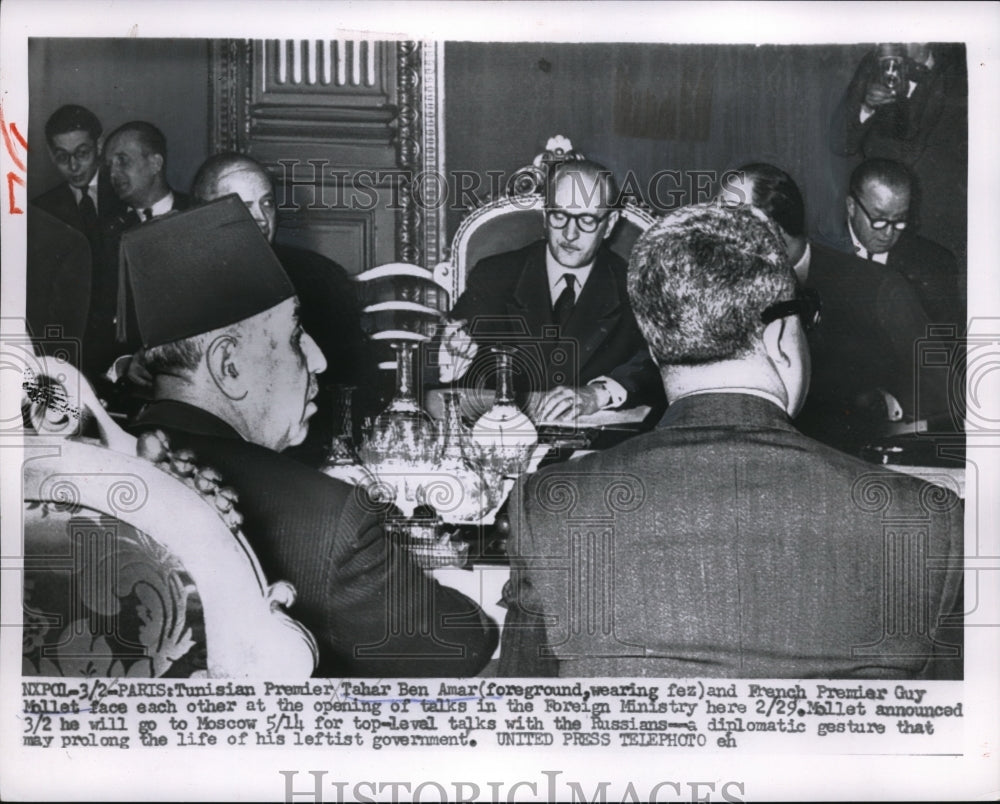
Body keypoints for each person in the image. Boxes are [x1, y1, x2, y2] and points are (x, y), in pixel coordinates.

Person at [499, 202, 963, 679]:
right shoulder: (926, 521)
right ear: (782, 335)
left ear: (654, 342)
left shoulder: (553, 508)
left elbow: (522, 721)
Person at [123, 196, 498, 676]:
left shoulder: (98, 460)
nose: (318, 360)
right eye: (297, 335)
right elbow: (461, 644)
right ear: (229, 366)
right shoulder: (329, 521)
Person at [721, 162, 952, 450]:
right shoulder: (728, 285)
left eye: (729, 222)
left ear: (773, 230)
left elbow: (938, 382)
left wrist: (883, 405)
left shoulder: (878, 286)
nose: (717, 234)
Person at [434, 157, 665, 423]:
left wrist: (599, 393)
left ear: (610, 224)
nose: (570, 233)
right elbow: (452, 345)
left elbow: (657, 364)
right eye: (559, 215)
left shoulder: (635, 284)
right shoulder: (495, 275)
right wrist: (448, 353)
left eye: (587, 220)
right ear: (545, 215)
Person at [187, 153, 376, 464]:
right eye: (242, 206)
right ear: (201, 214)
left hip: (300, 456)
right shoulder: (176, 281)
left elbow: (353, 383)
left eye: (267, 203)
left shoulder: (320, 279)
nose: (261, 218)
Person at [829, 43, 967, 265]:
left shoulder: (964, 62)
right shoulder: (874, 62)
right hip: (879, 214)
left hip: (939, 217)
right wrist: (866, 106)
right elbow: (839, 142)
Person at [838, 158, 962, 327]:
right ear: (851, 206)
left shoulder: (936, 264)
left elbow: (947, 343)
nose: (888, 233)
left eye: (899, 220)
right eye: (879, 219)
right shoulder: (819, 254)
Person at [32, 105, 124, 250]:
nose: (73, 166)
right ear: (51, 154)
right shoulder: (42, 210)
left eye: (82, 153)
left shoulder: (125, 192)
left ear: (99, 145)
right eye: (62, 156)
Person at [103, 121, 190, 225]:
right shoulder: (112, 228)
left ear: (155, 164)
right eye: (109, 166)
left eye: (122, 160)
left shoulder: (195, 211)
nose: (112, 173)